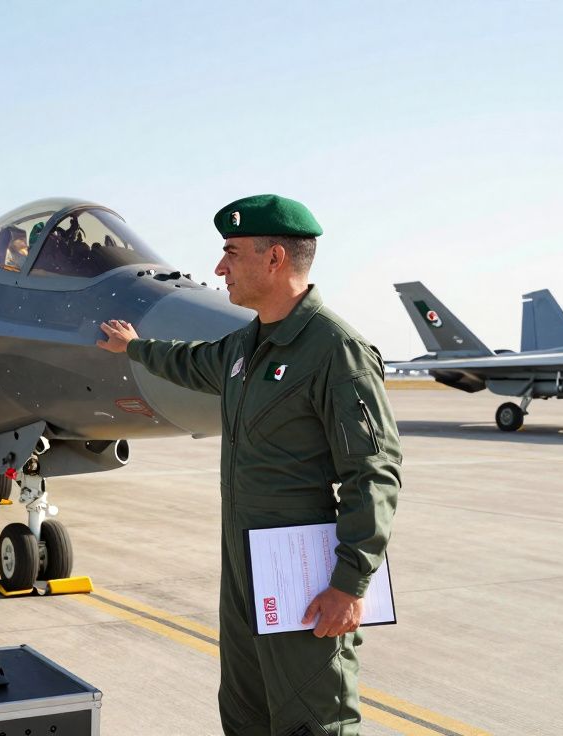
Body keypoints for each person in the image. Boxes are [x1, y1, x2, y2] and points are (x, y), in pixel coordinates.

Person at [96, 194, 401, 736]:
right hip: (244, 568)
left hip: (305, 575)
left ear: (275, 259)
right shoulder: (245, 345)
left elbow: (373, 472)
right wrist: (135, 349)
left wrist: (350, 583)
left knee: (313, 717)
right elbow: (190, 362)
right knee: (244, 713)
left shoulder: (338, 350)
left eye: (231, 253)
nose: (219, 269)